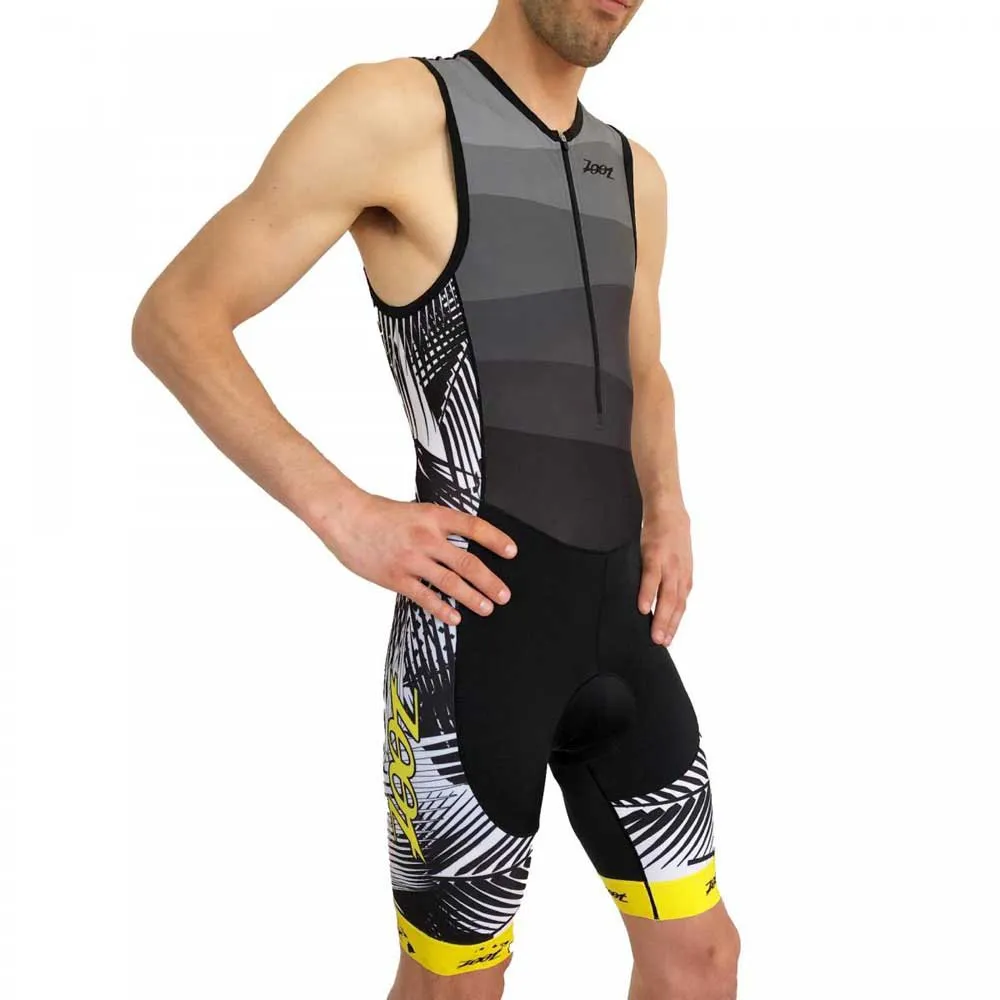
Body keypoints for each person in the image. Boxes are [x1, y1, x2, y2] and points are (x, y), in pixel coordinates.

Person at [132, 1, 741, 997]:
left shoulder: (635, 172)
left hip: (626, 638)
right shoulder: (395, 111)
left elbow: (644, 370)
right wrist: (343, 512)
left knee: (702, 960)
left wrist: (667, 502)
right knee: (457, 986)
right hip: (471, 655)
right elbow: (176, 316)